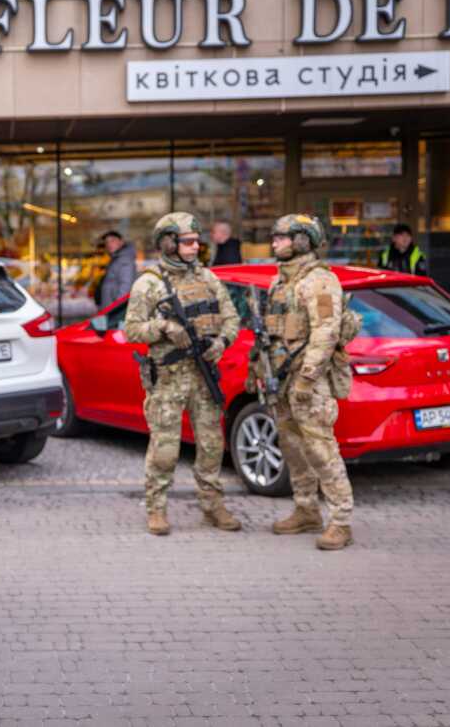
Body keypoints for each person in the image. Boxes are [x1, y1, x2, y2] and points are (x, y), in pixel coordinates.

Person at [123, 212, 242, 536]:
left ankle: (212, 505)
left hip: (204, 377)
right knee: (165, 448)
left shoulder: (208, 278)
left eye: (196, 241)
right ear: (168, 243)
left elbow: (232, 319)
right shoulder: (149, 283)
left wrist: (221, 342)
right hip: (169, 378)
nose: (195, 246)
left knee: (212, 445)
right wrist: (164, 327)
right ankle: (157, 508)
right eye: (187, 241)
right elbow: (131, 330)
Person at [255, 214, 355, 551]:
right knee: (292, 447)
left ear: (301, 240)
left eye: (282, 237)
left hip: (308, 383)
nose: (274, 242)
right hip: (282, 380)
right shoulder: (279, 282)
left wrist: (307, 377)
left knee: (321, 450)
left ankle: (340, 521)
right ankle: (306, 509)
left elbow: (326, 333)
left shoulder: (319, 281)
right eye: (275, 237)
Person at [97, 230, 137, 308]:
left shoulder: (125, 260)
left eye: (113, 241)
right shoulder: (115, 259)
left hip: (114, 309)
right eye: (107, 242)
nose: (109, 244)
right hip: (109, 307)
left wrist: (116, 308)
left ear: (121, 242)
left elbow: (125, 287)